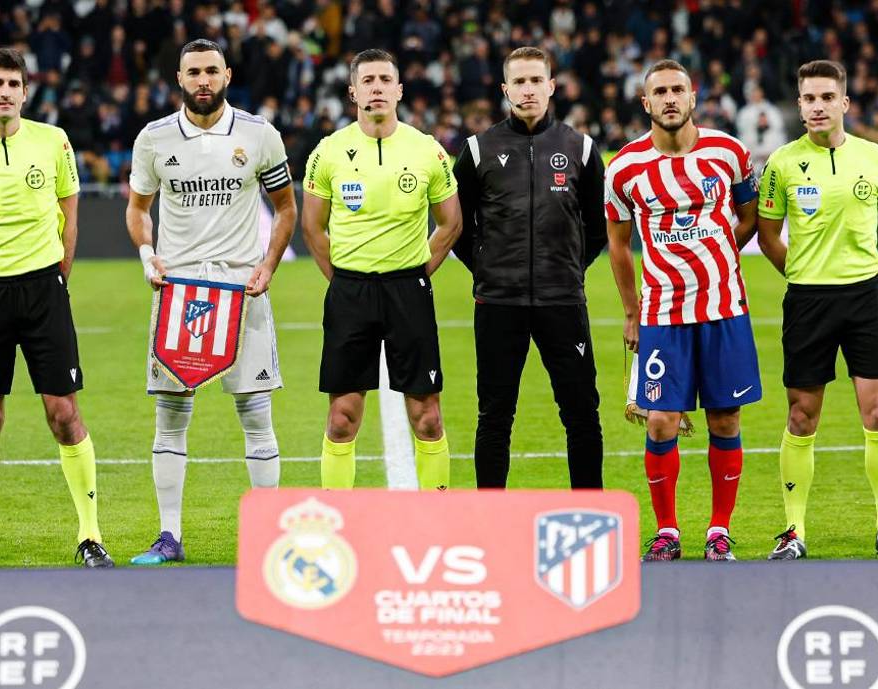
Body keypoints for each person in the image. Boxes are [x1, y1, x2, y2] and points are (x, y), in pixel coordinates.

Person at [0, 48, 112, 570]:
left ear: (25, 93)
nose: (5, 92)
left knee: (64, 413)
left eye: (14, 84)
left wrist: (55, 279)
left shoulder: (53, 142)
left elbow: (68, 220)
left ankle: (90, 536)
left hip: (43, 290)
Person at [125, 39, 297, 565]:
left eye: (211, 71)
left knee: (255, 413)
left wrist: (267, 266)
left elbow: (286, 208)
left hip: (241, 292)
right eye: (193, 72)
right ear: (179, 78)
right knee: (172, 417)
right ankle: (169, 535)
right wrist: (148, 255)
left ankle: (267, 535)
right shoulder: (154, 139)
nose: (203, 80)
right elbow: (138, 209)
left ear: (227, 74)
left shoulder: (258, 135)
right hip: (178, 294)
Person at [604, 59, 761, 562]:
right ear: (645, 103)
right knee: (660, 423)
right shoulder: (624, 168)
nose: (670, 99)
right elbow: (618, 244)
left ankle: (719, 531)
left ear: (693, 97)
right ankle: (668, 530)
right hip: (662, 315)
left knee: (725, 418)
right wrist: (631, 311)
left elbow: (749, 214)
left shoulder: (729, 152)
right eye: (659, 92)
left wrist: (718, 257)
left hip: (723, 309)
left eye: (678, 90)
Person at [756, 60, 878, 560]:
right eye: (808, 98)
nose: (817, 106)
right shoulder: (780, 163)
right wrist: (803, 276)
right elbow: (766, 236)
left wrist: (874, 281)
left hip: (864, 298)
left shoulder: (877, 158)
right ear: (799, 104)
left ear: (844, 102)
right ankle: (794, 531)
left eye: (827, 97)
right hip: (807, 301)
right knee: (802, 417)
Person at [301, 48, 462, 490]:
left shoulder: (427, 150)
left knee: (427, 418)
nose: (376, 88)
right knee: (341, 419)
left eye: (384, 80)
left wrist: (415, 273)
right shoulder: (328, 151)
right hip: (350, 292)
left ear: (399, 90)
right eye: (367, 80)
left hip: (408, 290)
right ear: (353, 91)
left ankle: (435, 521)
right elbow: (312, 228)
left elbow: (451, 224)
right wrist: (345, 280)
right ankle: (338, 523)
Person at [451, 46, 606, 489]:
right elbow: (458, 226)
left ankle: (589, 511)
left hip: (563, 301)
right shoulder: (478, 150)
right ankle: (490, 517)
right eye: (518, 82)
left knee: (581, 414)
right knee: (495, 416)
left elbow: (597, 228)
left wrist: (569, 270)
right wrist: (486, 268)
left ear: (551, 86)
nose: (528, 89)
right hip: (499, 302)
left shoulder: (581, 148)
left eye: (536, 80)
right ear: (505, 89)